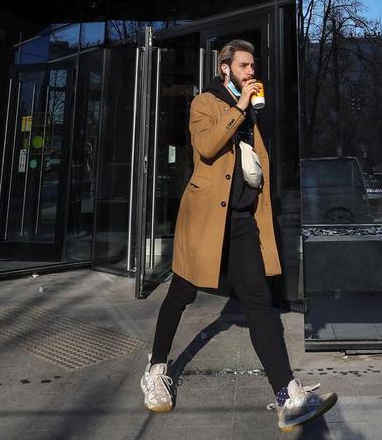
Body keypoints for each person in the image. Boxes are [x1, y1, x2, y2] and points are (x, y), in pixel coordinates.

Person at [140, 39, 337, 429]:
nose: (252, 72)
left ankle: (287, 396)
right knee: (182, 292)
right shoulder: (205, 103)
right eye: (244, 66)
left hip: (242, 222)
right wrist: (240, 107)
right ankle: (156, 369)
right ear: (224, 68)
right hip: (204, 220)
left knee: (259, 303)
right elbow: (207, 147)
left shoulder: (252, 114)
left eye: (253, 66)